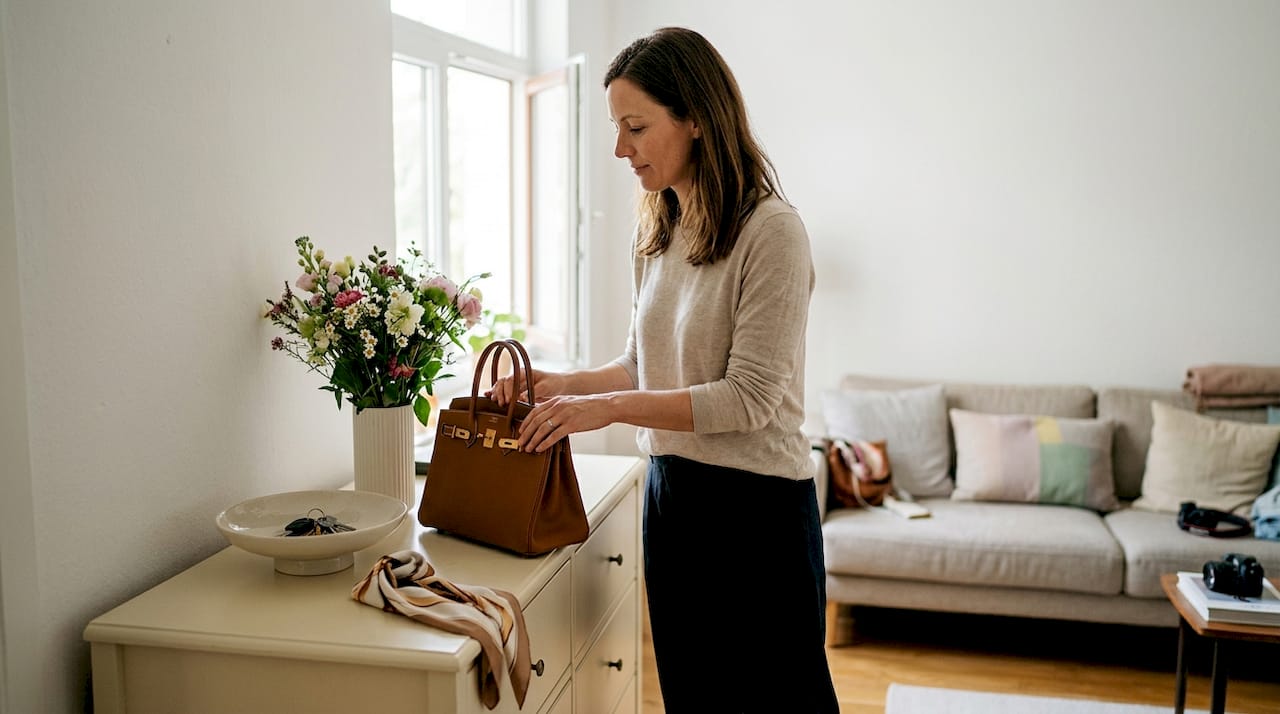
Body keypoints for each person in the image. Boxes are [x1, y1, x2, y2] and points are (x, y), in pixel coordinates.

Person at [489, 26, 839, 713]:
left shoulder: (773, 232)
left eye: (636, 126)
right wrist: (562, 386)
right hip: (673, 497)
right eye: (617, 127)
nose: (621, 148)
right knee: (694, 696)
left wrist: (610, 411)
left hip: (756, 512)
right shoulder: (659, 228)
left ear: (698, 119)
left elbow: (748, 400)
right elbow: (639, 363)